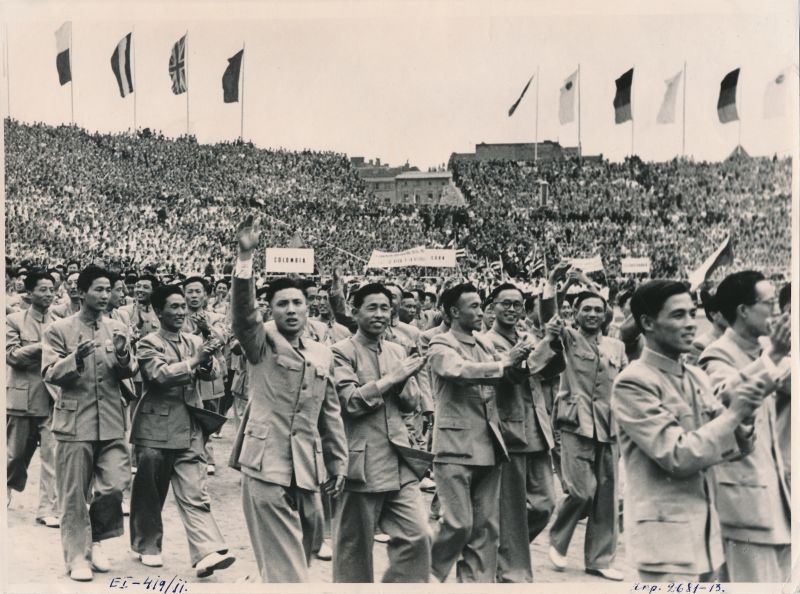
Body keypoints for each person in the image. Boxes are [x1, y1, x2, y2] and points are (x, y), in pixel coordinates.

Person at [612, 280, 763, 582]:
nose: (690, 323)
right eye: (678, 315)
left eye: (692, 313)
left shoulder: (695, 375)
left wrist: (745, 417)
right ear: (647, 323)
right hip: (666, 544)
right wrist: (734, 415)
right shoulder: (633, 382)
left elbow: (739, 447)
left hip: (707, 538)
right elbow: (678, 455)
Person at [229, 216, 348, 583]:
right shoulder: (261, 341)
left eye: (298, 302)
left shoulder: (322, 353)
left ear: (309, 307)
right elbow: (243, 315)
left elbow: (330, 415)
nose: (291, 309)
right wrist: (245, 258)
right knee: (287, 567)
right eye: (282, 304)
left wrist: (338, 462)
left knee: (304, 548)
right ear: (270, 309)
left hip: (307, 467)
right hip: (266, 462)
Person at [427, 283, 531, 582]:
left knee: (485, 528)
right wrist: (505, 362)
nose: (480, 311)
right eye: (473, 306)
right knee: (458, 523)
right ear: (453, 312)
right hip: (455, 446)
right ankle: (425, 573)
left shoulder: (483, 345)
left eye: (480, 305)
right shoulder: (440, 343)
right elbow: (458, 371)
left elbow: (508, 374)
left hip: (489, 444)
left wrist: (527, 355)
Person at [129, 284, 235, 577]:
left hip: (189, 425)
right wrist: (196, 360)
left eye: (182, 307)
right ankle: (147, 545)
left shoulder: (192, 340)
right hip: (155, 428)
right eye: (173, 307)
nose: (180, 312)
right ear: (158, 311)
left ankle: (206, 551)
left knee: (194, 491)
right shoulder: (148, 343)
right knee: (150, 491)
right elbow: (158, 375)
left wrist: (207, 361)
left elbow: (212, 374)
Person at [42, 266, 138, 582]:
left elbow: (129, 371)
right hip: (74, 422)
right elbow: (49, 373)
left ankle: (95, 538)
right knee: (73, 495)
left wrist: (123, 355)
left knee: (114, 485)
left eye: (108, 289)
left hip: (111, 420)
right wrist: (75, 360)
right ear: (81, 292)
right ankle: (77, 557)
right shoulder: (58, 329)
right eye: (98, 289)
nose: (105, 295)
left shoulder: (117, 327)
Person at [330, 283, 431, 582]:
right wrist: (392, 378)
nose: (379, 314)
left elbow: (410, 403)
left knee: (418, 537)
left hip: (399, 460)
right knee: (354, 550)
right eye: (371, 307)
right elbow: (350, 403)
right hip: (360, 462)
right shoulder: (340, 352)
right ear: (354, 311)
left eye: (385, 308)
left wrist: (404, 381)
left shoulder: (397, 350)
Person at [698, 271, 791, 582]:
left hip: (774, 502)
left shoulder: (763, 349)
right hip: (743, 507)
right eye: (769, 303)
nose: (776, 312)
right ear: (743, 310)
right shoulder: (717, 353)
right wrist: (773, 356)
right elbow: (725, 397)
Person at [546, 289, 627, 581]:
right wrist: (551, 287)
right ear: (575, 313)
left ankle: (599, 559)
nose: (593, 314)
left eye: (598, 310)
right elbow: (549, 319)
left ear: (606, 315)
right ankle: (558, 539)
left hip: (609, 425)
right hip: (575, 422)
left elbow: (624, 385)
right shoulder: (567, 338)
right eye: (586, 309)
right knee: (581, 491)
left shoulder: (617, 346)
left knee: (607, 495)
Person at [485, 283, 560, 582]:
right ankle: (511, 573)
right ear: (492, 306)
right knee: (513, 510)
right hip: (509, 433)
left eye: (517, 304)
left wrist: (554, 340)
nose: (512, 309)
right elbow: (514, 374)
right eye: (505, 303)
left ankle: (499, 549)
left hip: (537, 430)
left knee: (545, 504)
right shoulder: (486, 342)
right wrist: (545, 343)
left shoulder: (528, 337)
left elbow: (552, 369)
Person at [6, 271, 60, 526]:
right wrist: (42, 346)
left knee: (53, 456)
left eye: (52, 289)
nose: (49, 294)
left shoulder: (60, 322)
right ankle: (7, 485)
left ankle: (47, 508)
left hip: (52, 398)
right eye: (43, 289)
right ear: (29, 293)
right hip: (23, 398)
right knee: (15, 455)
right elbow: (11, 356)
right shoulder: (14, 320)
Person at [182, 276, 230, 475]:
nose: (194, 296)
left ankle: (206, 456)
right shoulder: (178, 315)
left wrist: (205, 328)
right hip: (186, 372)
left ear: (206, 295)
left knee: (207, 416)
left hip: (210, 373)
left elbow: (221, 340)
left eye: (198, 291)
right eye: (190, 292)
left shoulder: (216, 318)